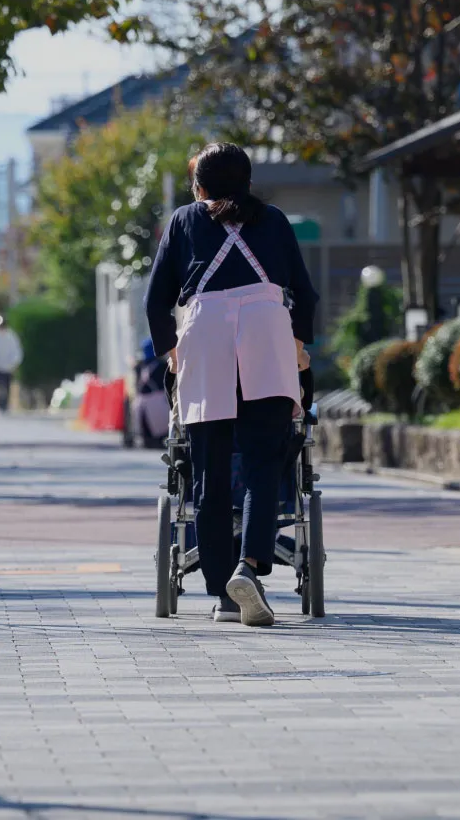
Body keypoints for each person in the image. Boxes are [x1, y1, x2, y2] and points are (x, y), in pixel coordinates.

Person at [144, 142, 317, 627]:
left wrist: (171, 351)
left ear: (198, 185)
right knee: (263, 461)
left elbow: (156, 300)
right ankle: (250, 565)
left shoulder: (183, 220)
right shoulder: (276, 220)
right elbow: (303, 292)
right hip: (266, 330)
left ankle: (222, 593)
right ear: (246, 182)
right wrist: (299, 344)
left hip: (205, 337)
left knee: (209, 472)